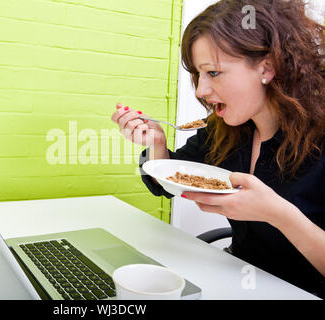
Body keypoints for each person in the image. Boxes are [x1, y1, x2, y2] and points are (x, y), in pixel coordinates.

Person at [111, 0, 324, 298]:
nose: (201, 91)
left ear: (267, 67)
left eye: (212, 73)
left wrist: (277, 214)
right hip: (236, 283)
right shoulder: (228, 128)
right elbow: (167, 179)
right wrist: (156, 144)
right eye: (198, 75)